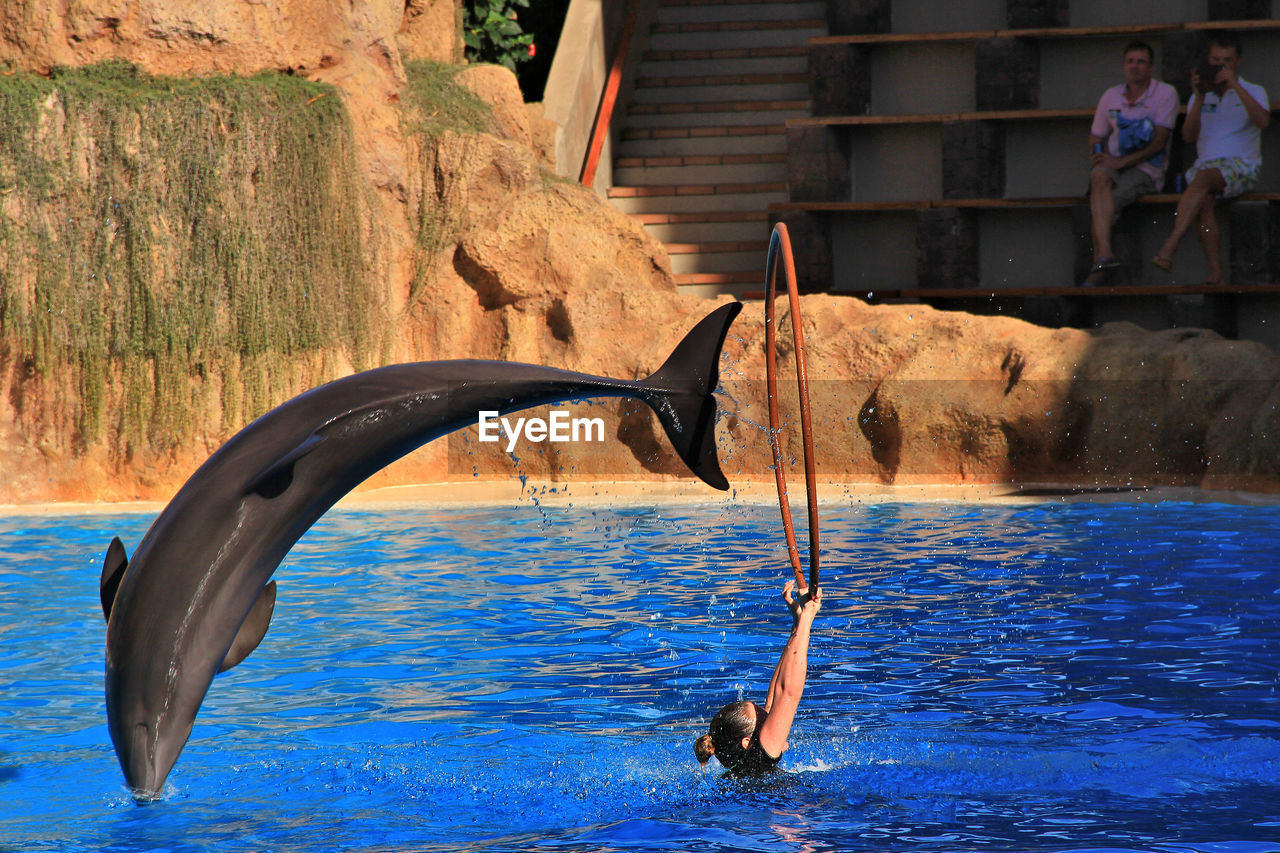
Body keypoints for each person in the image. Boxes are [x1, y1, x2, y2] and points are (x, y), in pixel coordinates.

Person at [1152, 32, 1270, 286]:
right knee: (1202, 197)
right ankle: (1215, 273)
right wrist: (1200, 96)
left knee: (1202, 180)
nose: (1221, 65)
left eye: (1227, 60)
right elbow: (1188, 136)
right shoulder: (1200, 96)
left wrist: (1234, 86)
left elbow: (1263, 122)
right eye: (1216, 60)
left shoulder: (1254, 90)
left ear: (1237, 61)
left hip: (1242, 166)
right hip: (1206, 168)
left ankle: (1170, 245)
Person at [694, 579, 822, 777]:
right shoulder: (762, 755)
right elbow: (787, 693)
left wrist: (797, 625)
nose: (771, 714)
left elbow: (774, 697)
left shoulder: (746, 764)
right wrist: (807, 616)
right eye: (763, 716)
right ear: (747, 742)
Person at [1084, 41, 1180, 285]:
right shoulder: (1111, 95)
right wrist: (1097, 153)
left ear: (1151, 68)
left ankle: (1098, 269)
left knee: (1105, 204)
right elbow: (1097, 134)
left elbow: (1159, 142)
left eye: (1141, 62)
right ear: (1123, 66)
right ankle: (1105, 253)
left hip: (1147, 168)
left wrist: (1121, 162)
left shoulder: (1165, 94)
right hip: (1115, 162)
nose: (1135, 67)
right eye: (1130, 61)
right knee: (1098, 177)